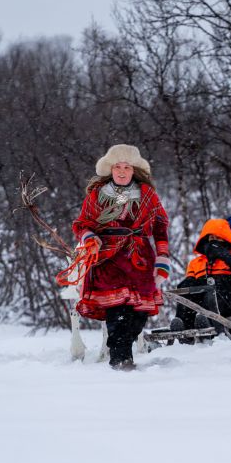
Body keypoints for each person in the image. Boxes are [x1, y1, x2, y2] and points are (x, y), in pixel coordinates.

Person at [72, 144, 171, 371]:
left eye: (127, 167)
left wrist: (163, 258)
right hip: (108, 256)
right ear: (111, 169)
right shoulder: (98, 195)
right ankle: (120, 359)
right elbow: (81, 224)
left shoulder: (148, 195)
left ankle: (123, 349)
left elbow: (160, 227)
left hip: (139, 257)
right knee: (117, 310)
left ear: (134, 169)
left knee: (139, 313)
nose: (122, 171)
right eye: (118, 167)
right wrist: (89, 237)